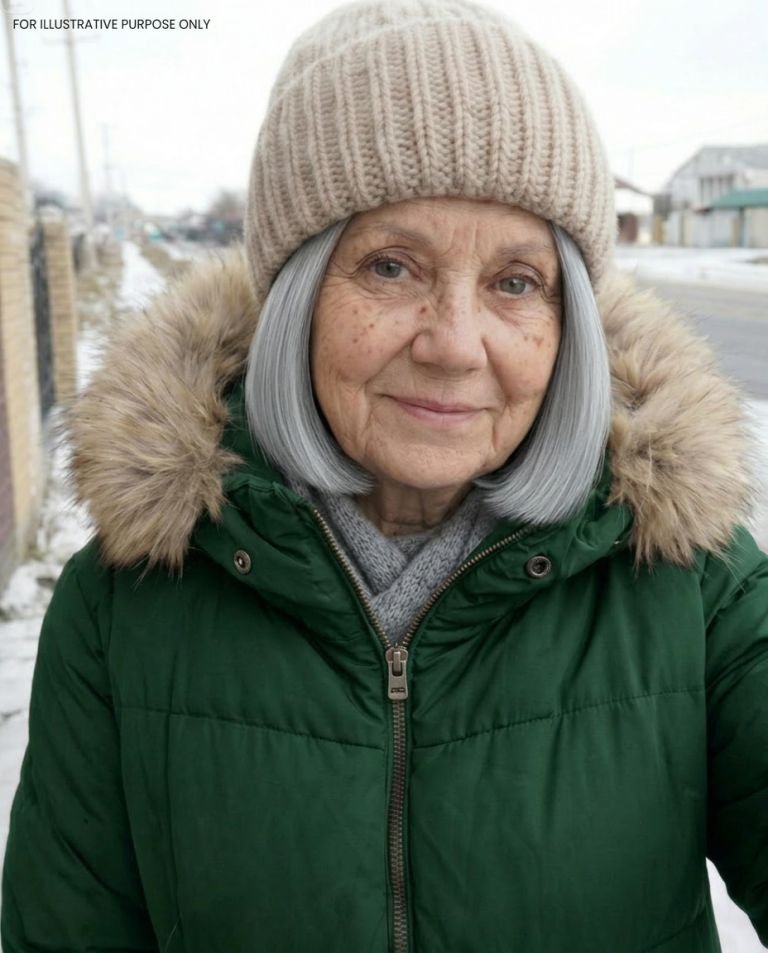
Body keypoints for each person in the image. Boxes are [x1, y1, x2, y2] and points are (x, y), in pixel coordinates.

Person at [2, 0, 767, 950]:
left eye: (516, 283)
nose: (455, 345)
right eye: (393, 267)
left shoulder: (696, 587)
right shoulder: (124, 610)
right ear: (297, 299)